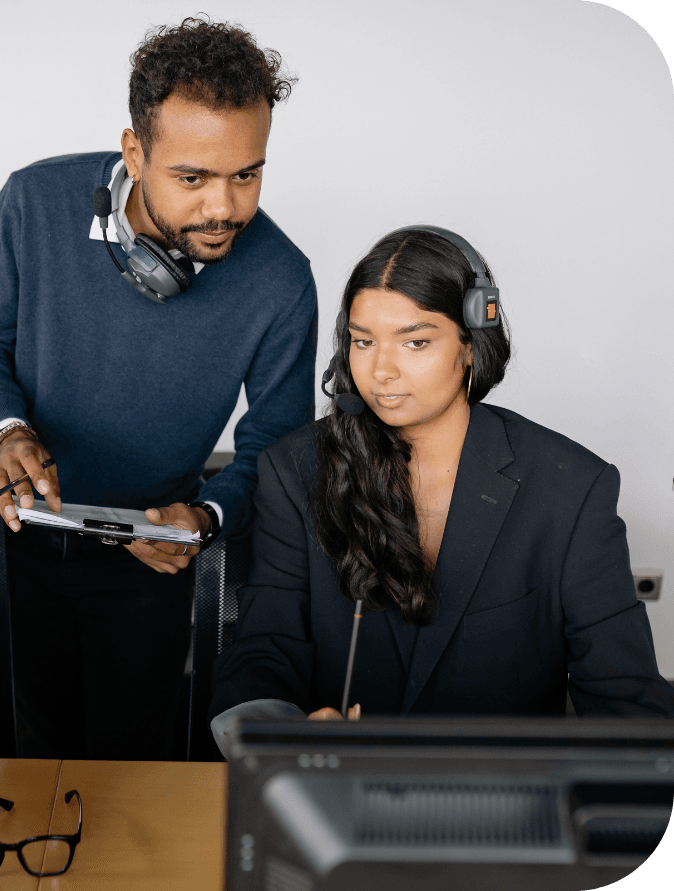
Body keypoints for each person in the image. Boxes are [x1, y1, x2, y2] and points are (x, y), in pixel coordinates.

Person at [0, 17, 318, 759]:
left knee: (132, 763)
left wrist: (203, 520)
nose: (225, 207)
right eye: (193, 177)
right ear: (135, 152)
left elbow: (274, 449)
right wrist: (6, 431)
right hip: (11, 542)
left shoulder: (280, 277)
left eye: (247, 173)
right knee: (15, 754)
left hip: (147, 558)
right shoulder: (33, 202)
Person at [210, 226, 674, 756]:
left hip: (507, 813)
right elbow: (263, 651)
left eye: (416, 341)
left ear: (473, 345)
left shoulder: (570, 488)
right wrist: (280, 732)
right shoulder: (294, 472)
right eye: (363, 341)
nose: (381, 370)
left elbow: (625, 697)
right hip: (330, 799)